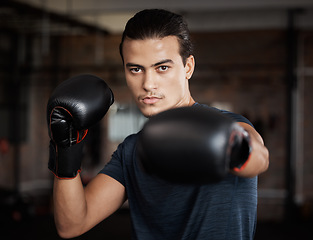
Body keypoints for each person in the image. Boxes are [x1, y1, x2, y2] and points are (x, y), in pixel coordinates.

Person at [47, 9, 269, 240]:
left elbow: (260, 159)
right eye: (136, 69)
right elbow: (72, 224)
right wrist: (66, 149)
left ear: (188, 67)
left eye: (162, 67)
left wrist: (234, 148)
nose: (148, 84)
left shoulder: (229, 126)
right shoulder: (131, 150)